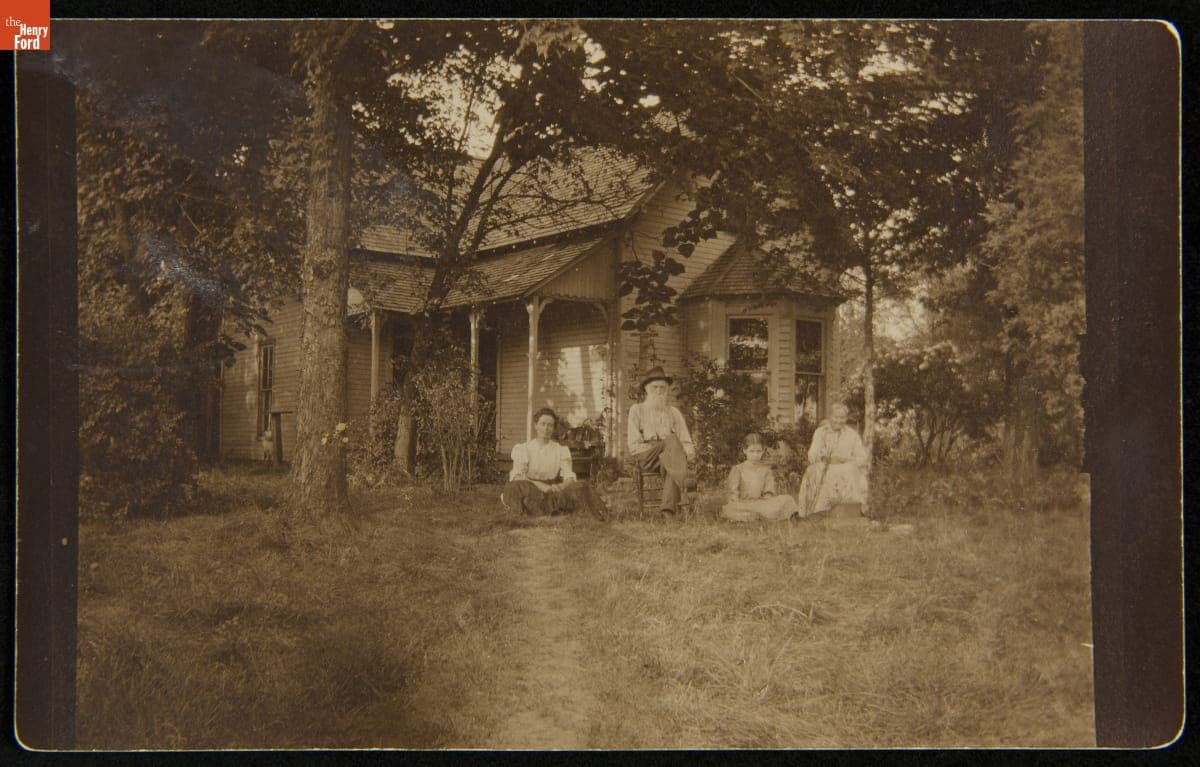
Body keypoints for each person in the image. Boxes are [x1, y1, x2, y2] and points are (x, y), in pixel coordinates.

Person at [501, 407, 608, 518]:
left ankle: (541, 509)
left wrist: (560, 486)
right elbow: (518, 476)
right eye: (543, 424)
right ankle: (532, 511)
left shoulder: (560, 450)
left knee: (582, 485)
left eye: (550, 425)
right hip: (531, 488)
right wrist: (541, 486)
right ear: (536, 426)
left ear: (553, 429)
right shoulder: (524, 448)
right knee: (514, 487)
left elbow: (569, 477)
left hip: (553, 491)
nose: (546, 429)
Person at [627, 366, 695, 513]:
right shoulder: (637, 410)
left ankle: (668, 511)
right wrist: (664, 447)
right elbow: (634, 444)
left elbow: (686, 440)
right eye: (654, 387)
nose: (659, 391)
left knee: (672, 461)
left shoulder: (673, 412)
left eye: (663, 388)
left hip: (669, 456)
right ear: (646, 389)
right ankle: (683, 494)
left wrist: (687, 452)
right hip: (646, 455)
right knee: (672, 444)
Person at [796, 403, 870, 517]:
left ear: (846, 418)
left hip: (845, 466)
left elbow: (862, 458)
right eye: (836, 417)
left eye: (842, 417)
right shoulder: (821, 432)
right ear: (830, 416)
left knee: (851, 470)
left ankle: (849, 512)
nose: (839, 420)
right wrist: (823, 456)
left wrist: (846, 459)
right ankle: (818, 512)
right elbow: (812, 454)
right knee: (816, 470)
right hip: (825, 465)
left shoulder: (852, 435)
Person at [720, 433, 799, 522]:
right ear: (744, 451)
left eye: (758, 451)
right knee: (730, 509)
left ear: (763, 451)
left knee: (787, 499)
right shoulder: (738, 469)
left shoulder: (766, 470)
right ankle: (756, 516)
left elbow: (768, 493)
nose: (755, 455)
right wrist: (737, 503)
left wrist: (767, 504)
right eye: (752, 451)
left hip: (760, 504)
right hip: (743, 504)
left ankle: (759, 516)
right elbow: (732, 495)